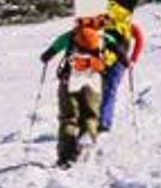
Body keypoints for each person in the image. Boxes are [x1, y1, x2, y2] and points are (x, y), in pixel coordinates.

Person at [41, 12, 133, 167]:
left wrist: (46, 57)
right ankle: (84, 144)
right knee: (90, 115)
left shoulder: (71, 35)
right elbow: (120, 53)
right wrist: (126, 61)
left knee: (68, 117)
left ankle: (65, 156)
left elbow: (49, 53)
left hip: (70, 80)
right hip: (93, 80)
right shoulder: (104, 37)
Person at [99, 0, 147, 133]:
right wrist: (133, 59)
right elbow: (139, 37)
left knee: (100, 88)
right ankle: (103, 121)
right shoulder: (126, 22)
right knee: (110, 89)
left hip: (103, 57)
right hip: (120, 59)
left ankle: (97, 120)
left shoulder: (108, 17)